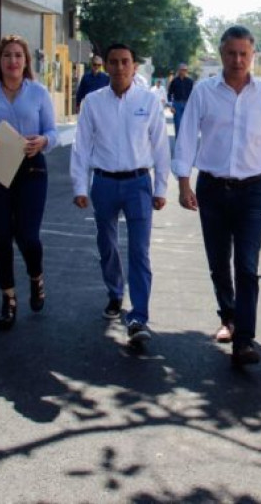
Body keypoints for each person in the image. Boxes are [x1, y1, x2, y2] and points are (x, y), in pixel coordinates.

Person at [173, 25, 261, 366]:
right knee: (219, 262)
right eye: (232, 53)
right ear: (221, 54)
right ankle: (228, 317)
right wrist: (183, 183)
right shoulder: (205, 92)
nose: (238, 60)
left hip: (252, 190)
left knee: (247, 267)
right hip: (212, 189)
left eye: (244, 54)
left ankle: (244, 340)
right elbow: (187, 135)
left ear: (253, 56)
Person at [71, 44, 170, 346]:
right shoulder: (93, 102)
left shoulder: (148, 101)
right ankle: (115, 293)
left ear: (134, 66)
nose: (119, 67)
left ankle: (138, 316)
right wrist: (79, 186)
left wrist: (161, 187)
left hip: (138, 184)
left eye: (125, 62)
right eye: (113, 62)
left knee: (139, 251)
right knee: (107, 243)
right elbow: (82, 145)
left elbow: (160, 146)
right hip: (104, 183)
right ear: (105, 67)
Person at [0, 35, 58, 331]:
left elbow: (52, 133)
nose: (13, 61)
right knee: (0, 238)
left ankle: (36, 277)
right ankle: (8, 298)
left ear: (26, 61)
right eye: (7, 55)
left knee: (27, 236)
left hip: (31, 170)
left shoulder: (39, 93)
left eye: (18, 55)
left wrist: (43, 141)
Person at [168, 62, 194, 137]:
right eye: (182, 69)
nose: (184, 71)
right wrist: (171, 106)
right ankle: (178, 145)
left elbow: (193, 95)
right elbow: (169, 94)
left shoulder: (190, 81)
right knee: (178, 125)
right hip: (177, 104)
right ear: (179, 70)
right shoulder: (174, 81)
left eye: (185, 70)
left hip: (187, 105)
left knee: (186, 125)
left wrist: (192, 107)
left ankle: (185, 145)